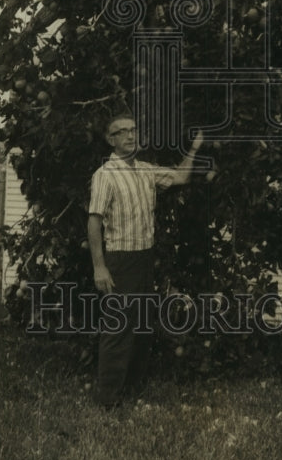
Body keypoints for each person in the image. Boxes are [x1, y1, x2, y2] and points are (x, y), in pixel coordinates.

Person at [87, 114, 205, 408]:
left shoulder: (145, 170)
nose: (129, 135)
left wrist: (195, 148)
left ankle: (132, 390)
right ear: (111, 139)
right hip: (120, 260)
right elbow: (94, 222)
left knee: (141, 326)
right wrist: (99, 267)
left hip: (144, 257)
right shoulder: (105, 174)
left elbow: (180, 177)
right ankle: (107, 400)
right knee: (118, 329)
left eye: (133, 130)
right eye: (121, 132)